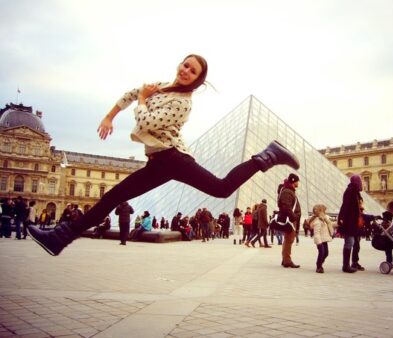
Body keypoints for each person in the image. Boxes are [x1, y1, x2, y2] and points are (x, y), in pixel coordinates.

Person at [28, 54, 299, 256]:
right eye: (185, 64)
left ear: (197, 80)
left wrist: (144, 100)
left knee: (222, 188)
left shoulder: (182, 103)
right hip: (157, 162)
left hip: (172, 159)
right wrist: (110, 116)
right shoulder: (160, 86)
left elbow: (145, 121)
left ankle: (267, 156)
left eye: (192, 71)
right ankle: (59, 238)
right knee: (113, 196)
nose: (186, 70)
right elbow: (130, 94)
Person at [337, 175, 365, 273]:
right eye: (360, 181)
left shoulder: (355, 192)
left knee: (354, 242)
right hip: (349, 222)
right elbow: (345, 206)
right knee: (350, 242)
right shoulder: (350, 192)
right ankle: (346, 265)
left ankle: (351, 263)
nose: (361, 183)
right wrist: (341, 219)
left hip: (354, 222)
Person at [278, 174, 302, 268]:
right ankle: (287, 261)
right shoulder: (287, 192)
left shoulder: (288, 191)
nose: (298, 183)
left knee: (288, 240)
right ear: (293, 181)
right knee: (289, 240)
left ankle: (285, 259)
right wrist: (293, 217)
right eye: (297, 181)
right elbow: (286, 206)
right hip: (290, 220)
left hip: (291, 219)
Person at [310, 204, 335, 273]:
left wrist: (338, 223)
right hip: (320, 240)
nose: (325, 213)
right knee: (322, 252)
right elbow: (316, 233)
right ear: (320, 212)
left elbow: (330, 224)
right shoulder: (317, 221)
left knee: (326, 253)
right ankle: (319, 266)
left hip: (324, 239)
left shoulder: (324, 219)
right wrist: (319, 242)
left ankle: (320, 263)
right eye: (324, 211)